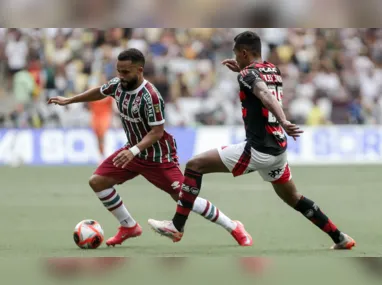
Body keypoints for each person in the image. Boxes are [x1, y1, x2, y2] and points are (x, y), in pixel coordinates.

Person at [148, 32, 356, 250]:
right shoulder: (272, 69)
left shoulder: (247, 73)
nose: (236, 58)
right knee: (293, 197)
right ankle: (339, 237)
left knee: (194, 165)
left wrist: (284, 120)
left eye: (237, 54)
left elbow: (264, 94)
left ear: (244, 52)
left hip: (259, 150)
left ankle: (177, 225)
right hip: (278, 149)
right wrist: (242, 71)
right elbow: (261, 85)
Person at [48, 48, 252, 247]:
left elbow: (157, 132)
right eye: (118, 71)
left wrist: (133, 151)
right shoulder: (118, 85)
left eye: (126, 72)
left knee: (185, 198)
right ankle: (128, 226)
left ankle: (234, 226)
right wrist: (70, 100)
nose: (121, 75)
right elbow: (100, 92)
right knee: (97, 182)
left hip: (158, 157)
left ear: (139, 70)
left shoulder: (150, 97)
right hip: (132, 152)